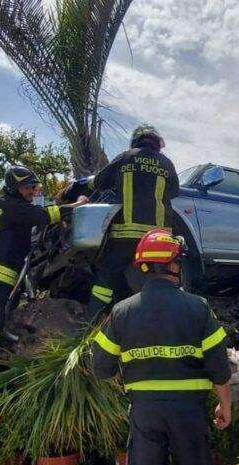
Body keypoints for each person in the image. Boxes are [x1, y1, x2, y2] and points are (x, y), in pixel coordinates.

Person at [91, 229, 231, 465]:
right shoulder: (198, 307)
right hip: (189, 412)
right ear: (172, 265)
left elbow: (101, 367)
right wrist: (225, 405)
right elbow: (219, 367)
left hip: (145, 413)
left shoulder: (122, 312)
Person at [0, 166, 87, 385]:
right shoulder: (11, 205)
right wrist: (77, 205)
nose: (32, 191)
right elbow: (43, 216)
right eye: (27, 187)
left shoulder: (9, 204)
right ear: (14, 188)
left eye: (34, 186)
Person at [86, 124, 179, 319]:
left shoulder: (125, 157)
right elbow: (174, 192)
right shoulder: (167, 163)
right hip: (158, 240)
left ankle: (92, 322)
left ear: (136, 141)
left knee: (107, 277)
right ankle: (161, 322)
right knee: (159, 280)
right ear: (157, 143)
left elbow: (99, 183)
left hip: (125, 235)